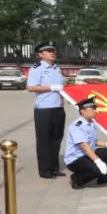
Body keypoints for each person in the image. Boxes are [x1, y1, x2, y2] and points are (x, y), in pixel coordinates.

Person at [26, 41, 67, 179]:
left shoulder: (57, 68)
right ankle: (45, 170)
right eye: (49, 51)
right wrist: (52, 88)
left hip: (58, 108)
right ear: (40, 54)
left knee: (56, 139)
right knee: (44, 140)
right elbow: (31, 87)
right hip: (44, 109)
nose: (52, 53)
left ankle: (54, 167)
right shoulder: (36, 69)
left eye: (54, 50)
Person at [65, 96, 107, 188]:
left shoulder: (91, 123)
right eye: (93, 108)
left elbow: (92, 141)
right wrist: (98, 161)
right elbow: (84, 145)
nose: (96, 111)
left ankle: (106, 177)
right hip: (76, 159)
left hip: (88, 154)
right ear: (83, 111)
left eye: (95, 108)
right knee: (97, 170)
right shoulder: (77, 126)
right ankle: (76, 179)